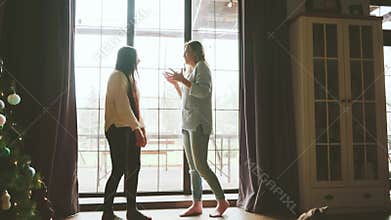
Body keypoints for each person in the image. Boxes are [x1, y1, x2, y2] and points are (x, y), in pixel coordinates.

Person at [163, 41, 230, 218]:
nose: (183, 56)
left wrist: (182, 80)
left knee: (201, 165)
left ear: (194, 53)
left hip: (199, 123)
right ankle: (197, 204)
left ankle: (222, 201)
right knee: (193, 168)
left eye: (186, 52)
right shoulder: (190, 71)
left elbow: (203, 92)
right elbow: (186, 99)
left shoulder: (202, 67)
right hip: (187, 123)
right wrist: (177, 85)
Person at [102, 46, 151, 220]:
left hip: (129, 128)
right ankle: (107, 213)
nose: (139, 61)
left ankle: (132, 210)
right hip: (117, 129)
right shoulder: (117, 77)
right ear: (129, 59)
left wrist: (141, 128)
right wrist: (137, 129)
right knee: (119, 169)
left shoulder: (130, 78)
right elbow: (122, 107)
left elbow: (135, 108)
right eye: (136, 58)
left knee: (134, 168)